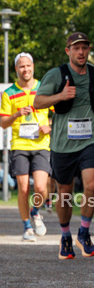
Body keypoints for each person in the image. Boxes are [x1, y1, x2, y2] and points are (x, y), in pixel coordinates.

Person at [33, 32, 94, 259]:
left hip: (92, 139)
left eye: (84, 48)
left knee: (91, 184)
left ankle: (84, 233)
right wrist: (60, 95)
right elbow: (38, 102)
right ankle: (66, 236)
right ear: (68, 51)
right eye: (76, 48)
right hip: (63, 143)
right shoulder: (56, 75)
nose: (81, 52)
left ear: (88, 50)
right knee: (64, 192)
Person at [0, 53, 52, 241]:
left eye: (28, 65)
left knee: (40, 187)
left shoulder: (44, 89)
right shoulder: (9, 93)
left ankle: (35, 211)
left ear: (33, 67)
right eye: (21, 66)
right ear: (16, 69)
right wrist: (16, 114)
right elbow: (3, 123)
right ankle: (27, 226)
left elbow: (58, 114)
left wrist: (50, 126)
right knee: (23, 189)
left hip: (41, 144)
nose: (25, 69)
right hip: (20, 144)